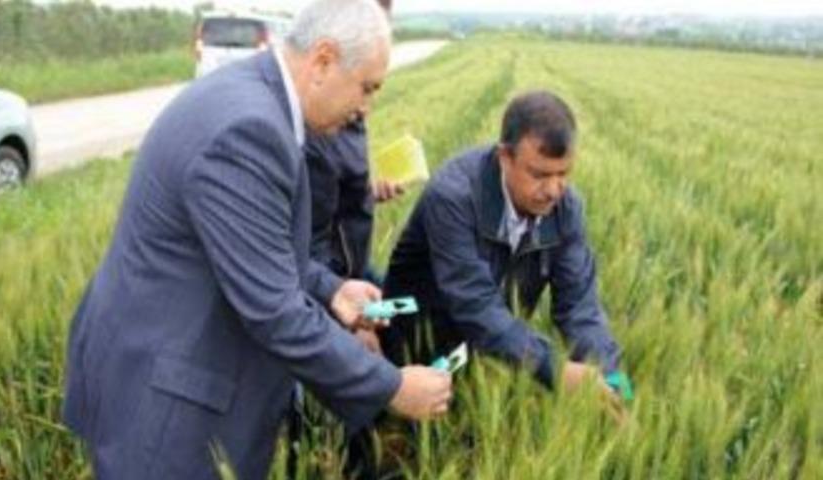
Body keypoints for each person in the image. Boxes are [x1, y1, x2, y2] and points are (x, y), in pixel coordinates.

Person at [62, 1, 452, 478]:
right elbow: (274, 311)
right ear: (324, 60)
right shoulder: (249, 131)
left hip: (164, 370)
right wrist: (391, 386)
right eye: (367, 88)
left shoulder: (256, 100)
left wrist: (331, 289)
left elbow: (259, 245)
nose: (364, 109)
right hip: (169, 409)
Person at [382, 91, 623, 394]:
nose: (553, 190)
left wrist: (615, 383)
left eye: (564, 173)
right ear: (504, 157)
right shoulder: (453, 197)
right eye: (539, 174)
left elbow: (580, 309)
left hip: (488, 354)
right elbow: (475, 305)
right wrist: (556, 370)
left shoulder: (566, 208)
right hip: (415, 349)